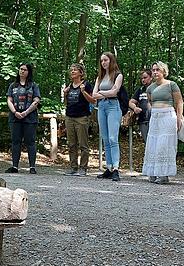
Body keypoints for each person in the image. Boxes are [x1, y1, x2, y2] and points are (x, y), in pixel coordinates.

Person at [141, 61, 184, 184]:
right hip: (155, 117)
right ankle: (153, 172)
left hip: (168, 116)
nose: (155, 72)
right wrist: (152, 110)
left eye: (158, 70)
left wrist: (179, 118)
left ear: (163, 71)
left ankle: (164, 174)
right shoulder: (150, 88)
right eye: (153, 70)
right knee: (153, 144)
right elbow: (150, 101)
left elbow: (179, 102)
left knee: (164, 144)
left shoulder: (172, 85)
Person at [92, 52, 124, 181]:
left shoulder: (118, 75)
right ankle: (109, 167)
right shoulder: (100, 77)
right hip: (102, 107)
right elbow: (94, 94)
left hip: (113, 107)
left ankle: (116, 168)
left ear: (111, 61)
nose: (103, 63)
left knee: (112, 138)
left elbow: (115, 91)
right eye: (101, 61)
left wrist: (101, 93)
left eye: (105, 60)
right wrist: (105, 94)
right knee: (105, 138)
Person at [6, 63, 42, 174]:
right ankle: (15, 166)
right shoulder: (13, 85)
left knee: (30, 141)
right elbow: (9, 100)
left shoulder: (33, 86)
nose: (22, 71)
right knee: (15, 141)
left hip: (30, 118)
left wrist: (26, 112)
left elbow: (36, 101)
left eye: (25, 70)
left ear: (28, 72)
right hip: (15, 117)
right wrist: (15, 112)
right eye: (20, 69)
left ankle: (32, 167)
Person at [62, 63, 95, 176]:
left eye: (75, 70)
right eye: (71, 70)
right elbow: (68, 102)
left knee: (83, 144)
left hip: (82, 117)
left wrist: (83, 91)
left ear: (81, 73)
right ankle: (73, 167)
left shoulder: (86, 85)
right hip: (69, 117)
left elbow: (92, 100)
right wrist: (65, 94)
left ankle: (83, 168)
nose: (72, 72)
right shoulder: (69, 86)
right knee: (71, 144)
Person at [129, 69, 153, 146]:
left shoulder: (157, 88)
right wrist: (135, 108)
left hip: (155, 119)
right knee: (148, 143)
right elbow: (130, 102)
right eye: (142, 78)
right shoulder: (140, 90)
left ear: (151, 77)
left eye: (145, 77)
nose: (143, 80)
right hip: (143, 121)